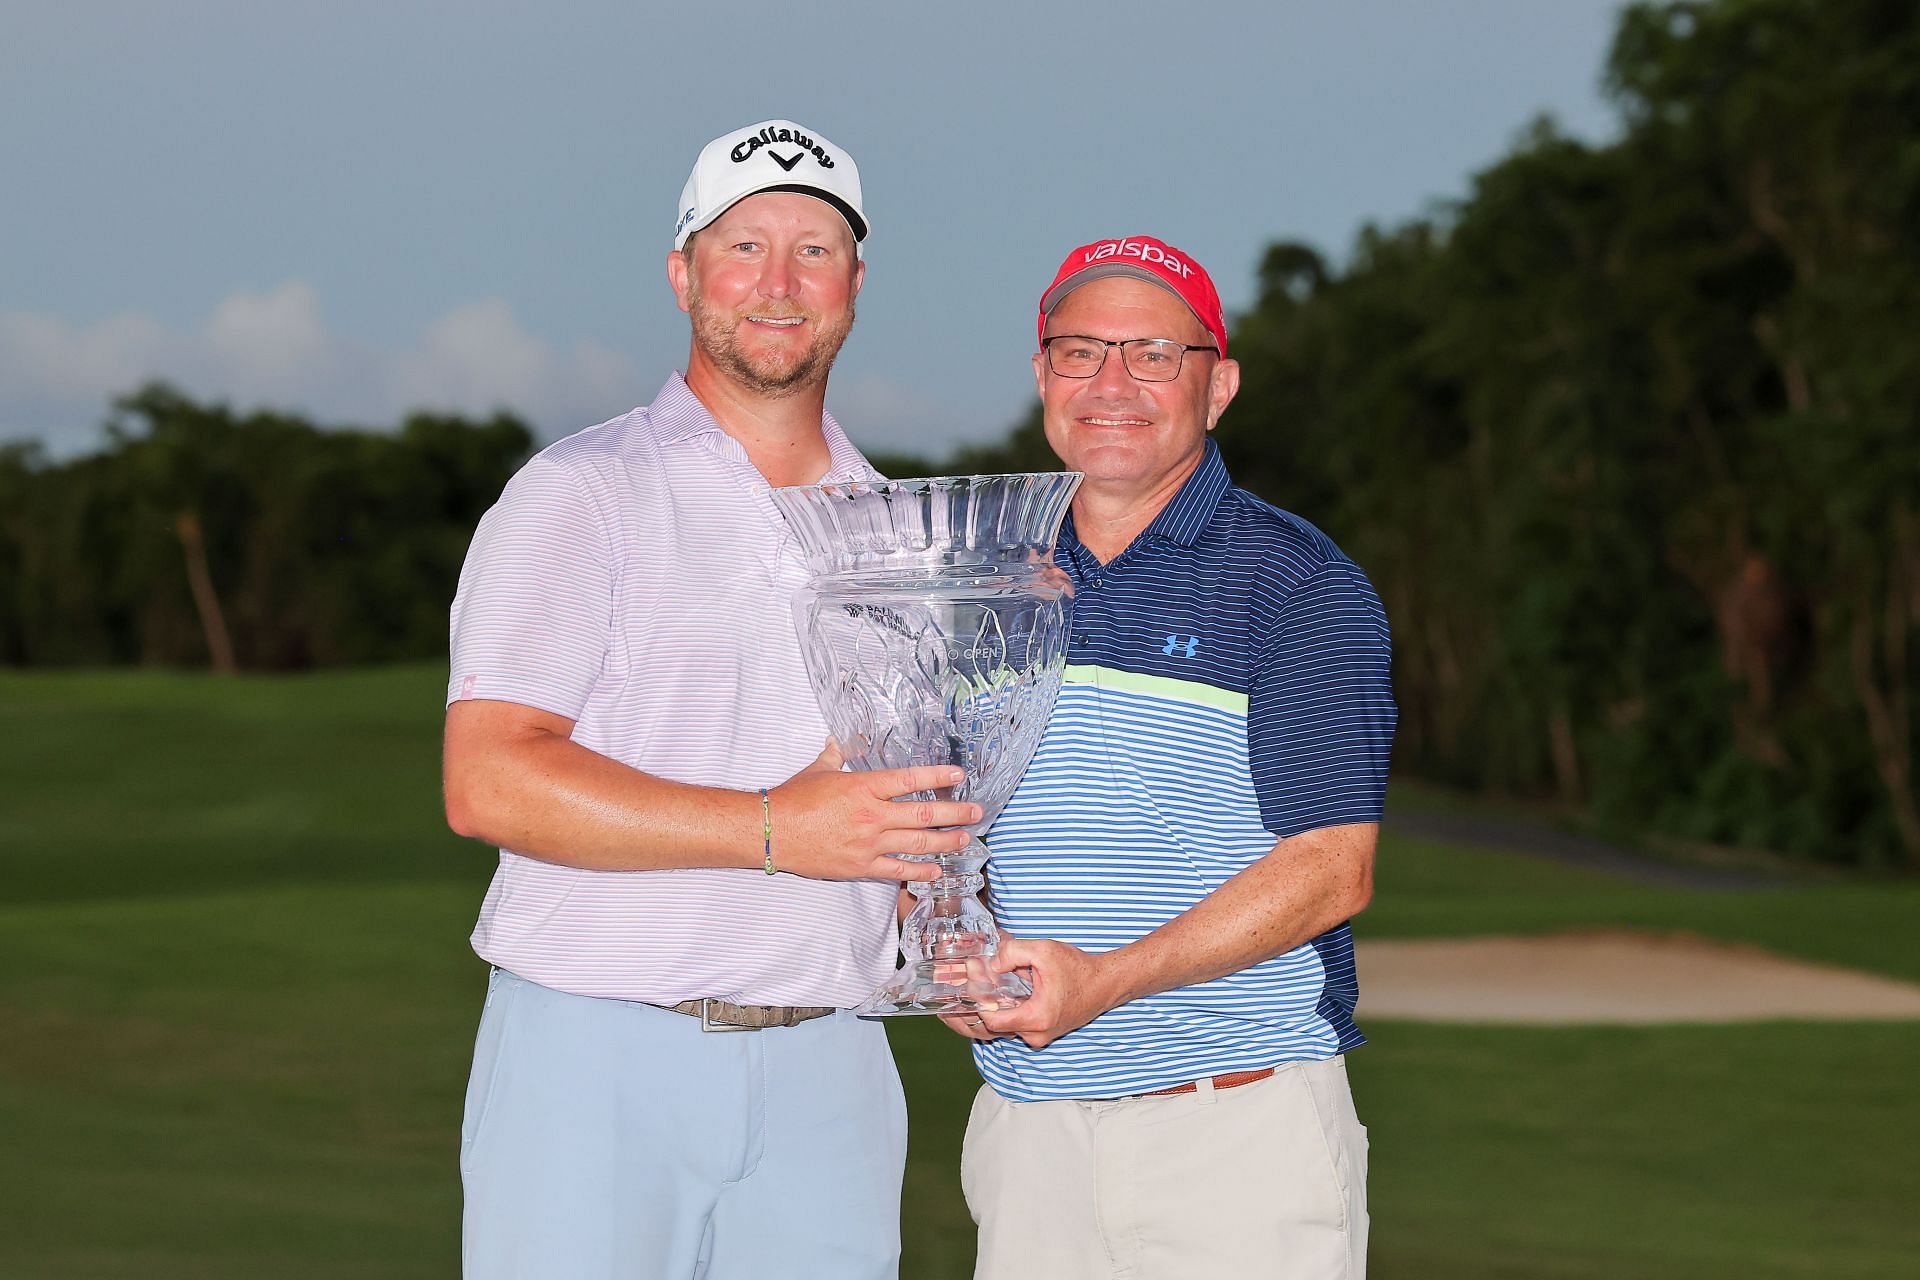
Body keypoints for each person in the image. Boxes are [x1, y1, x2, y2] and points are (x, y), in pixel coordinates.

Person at [441, 119, 977, 1280]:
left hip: (832, 1068)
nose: (779, 284)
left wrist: (947, 913)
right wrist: (779, 829)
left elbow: (890, 801)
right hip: (600, 1050)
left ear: (855, 286)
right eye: (744, 247)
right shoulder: (581, 494)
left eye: (815, 250)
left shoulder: (897, 526)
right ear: (684, 274)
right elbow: (487, 779)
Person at [948, 236, 1397, 1279]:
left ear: (1219, 382)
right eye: (1080, 351)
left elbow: (1333, 867)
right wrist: (942, 942)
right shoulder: (979, 583)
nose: (1112, 384)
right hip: (1027, 1133)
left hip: (1235, 1136)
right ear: (1041, 377)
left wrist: (1105, 980)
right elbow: (944, 822)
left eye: (1153, 353)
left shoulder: (1297, 587)